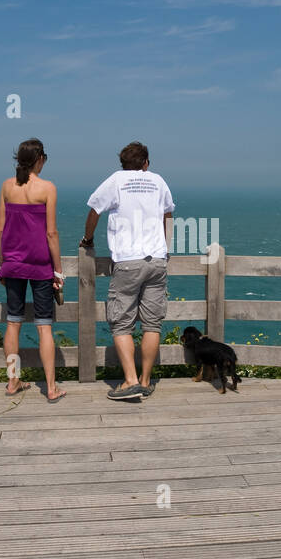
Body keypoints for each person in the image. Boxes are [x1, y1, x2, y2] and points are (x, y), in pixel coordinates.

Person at [80, 141, 174, 401]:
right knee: (152, 323)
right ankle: (145, 380)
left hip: (128, 261)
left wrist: (88, 239)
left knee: (121, 323)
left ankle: (130, 381)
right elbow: (168, 214)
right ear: (146, 163)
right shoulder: (158, 181)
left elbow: (95, 210)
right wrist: (165, 248)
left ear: (122, 164)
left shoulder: (117, 180)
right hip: (156, 259)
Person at [0, 138, 65, 402]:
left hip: (12, 264)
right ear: (40, 159)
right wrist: (57, 270)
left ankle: (13, 380)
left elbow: (1, 230)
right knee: (44, 326)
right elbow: (51, 233)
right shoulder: (47, 188)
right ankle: (50, 387)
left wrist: (3, 264)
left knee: (13, 323)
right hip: (40, 265)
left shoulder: (6, 186)